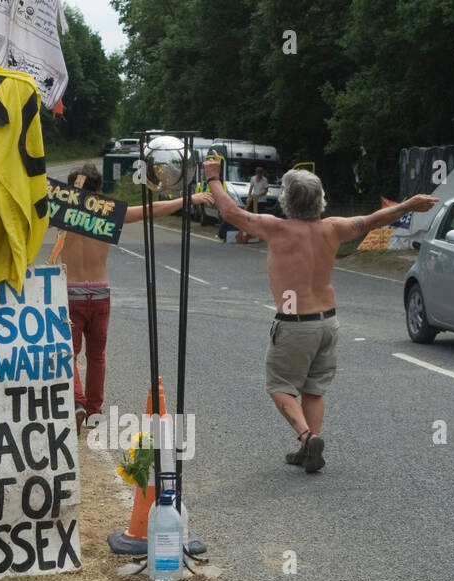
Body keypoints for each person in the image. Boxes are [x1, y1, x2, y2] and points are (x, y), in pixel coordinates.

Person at [203, 157, 434, 471]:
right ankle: (309, 447)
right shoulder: (334, 228)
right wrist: (409, 204)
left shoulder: (276, 228)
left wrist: (213, 178)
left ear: (287, 200)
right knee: (314, 389)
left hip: (295, 324)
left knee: (279, 386)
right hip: (328, 322)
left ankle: (306, 436)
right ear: (320, 200)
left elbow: (230, 213)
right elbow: (374, 219)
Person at [57, 163, 212, 430]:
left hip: (70, 293)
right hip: (100, 292)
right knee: (97, 355)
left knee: (68, 354)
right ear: (99, 189)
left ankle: (77, 402)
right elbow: (150, 211)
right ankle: (94, 411)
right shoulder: (107, 213)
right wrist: (189, 198)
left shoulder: (62, 212)